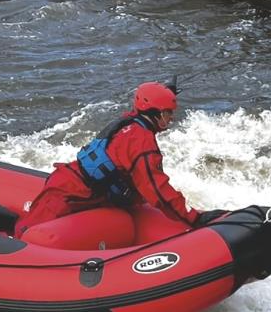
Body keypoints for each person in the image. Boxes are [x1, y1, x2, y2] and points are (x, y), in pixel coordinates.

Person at [19, 82, 221, 229]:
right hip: (69, 195)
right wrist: (194, 218)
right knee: (27, 233)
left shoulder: (131, 122)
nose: (171, 118)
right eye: (168, 112)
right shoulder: (141, 143)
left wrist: (164, 93)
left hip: (76, 187)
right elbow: (157, 190)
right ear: (157, 113)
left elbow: (146, 101)